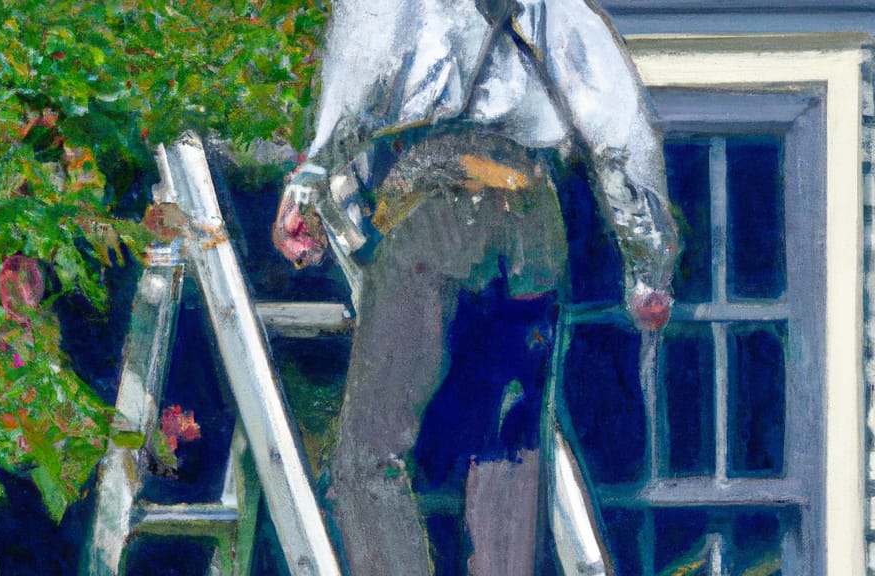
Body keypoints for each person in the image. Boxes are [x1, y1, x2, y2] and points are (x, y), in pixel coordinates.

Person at [272, 0, 679, 574]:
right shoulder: (559, 8)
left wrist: (313, 191)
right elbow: (616, 131)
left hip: (435, 199)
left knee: (368, 459)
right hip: (534, 216)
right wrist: (647, 264)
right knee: (508, 449)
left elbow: (354, 95)